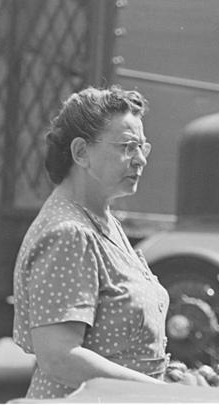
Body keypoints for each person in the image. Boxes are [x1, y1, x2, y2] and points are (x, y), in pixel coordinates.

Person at [12, 86, 169, 399]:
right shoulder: (69, 233)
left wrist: (172, 378)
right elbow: (59, 357)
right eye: (127, 147)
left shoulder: (101, 220)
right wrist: (167, 395)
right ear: (81, 152)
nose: (140, 159)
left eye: (142, 147)